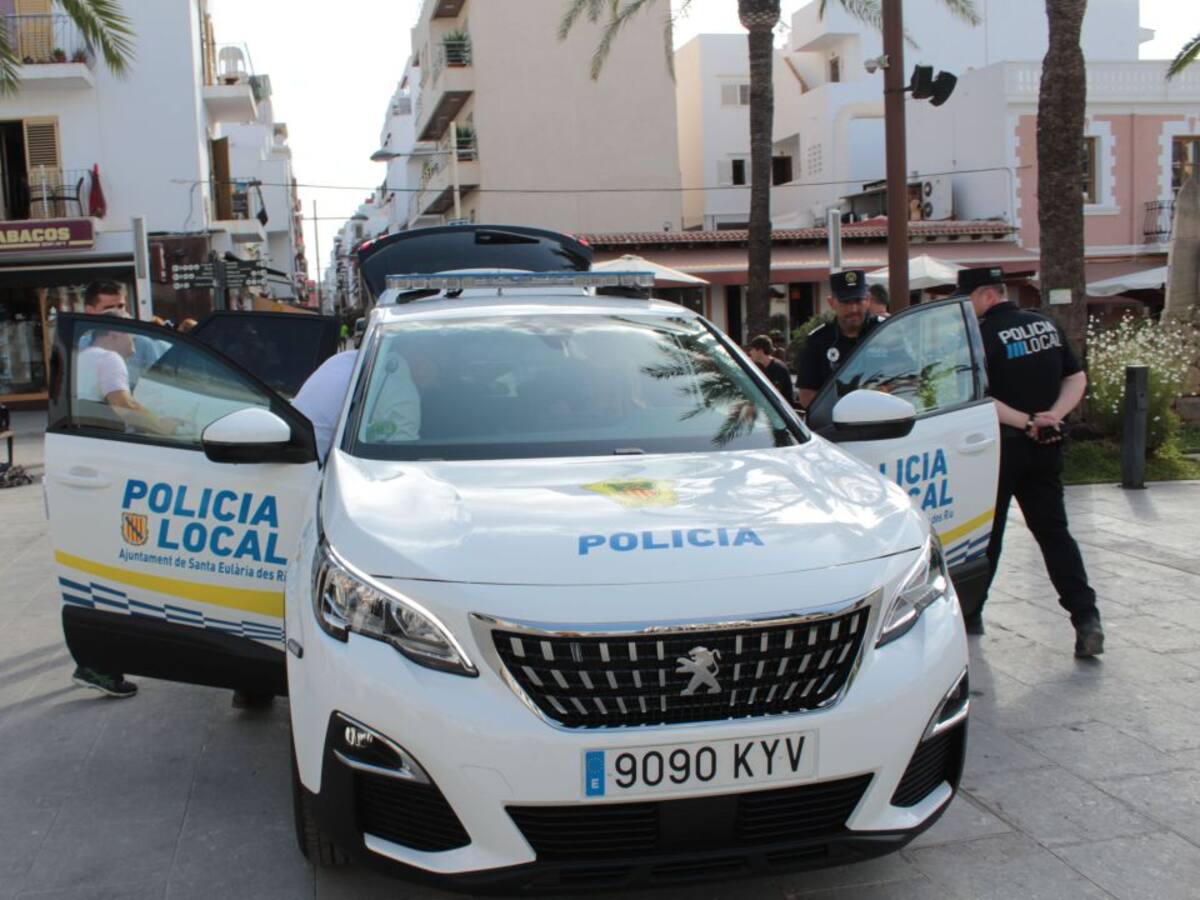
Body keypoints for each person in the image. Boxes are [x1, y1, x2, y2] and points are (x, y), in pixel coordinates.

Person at [958, 266, 1103, 657]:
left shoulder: (980, 337)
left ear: (985, 296)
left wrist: (1026, 423)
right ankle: (1086, 617)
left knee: (988, 537)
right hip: (1047, 445)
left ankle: (970, 614)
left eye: (967, 300)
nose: (965, 310)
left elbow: (978, 397)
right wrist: (1051, 417)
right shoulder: (1045, 325)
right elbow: (1077, 379)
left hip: (1001, 448)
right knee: (1055, 535)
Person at [796, 270, 880, 409]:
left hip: (883, 420)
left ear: (868, 300)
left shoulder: (883, 332)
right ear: (831, 302)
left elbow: (908, 380)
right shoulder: (818, 340)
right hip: (837, 425)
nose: (853, 308)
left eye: (858, 300)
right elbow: (807, 394)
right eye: (846, 302)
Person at [748, 334, 795, 404]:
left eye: (752, 349)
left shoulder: (778, 369)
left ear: (760, 351)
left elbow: (773, 396)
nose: (750, 352)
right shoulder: (761, 367)